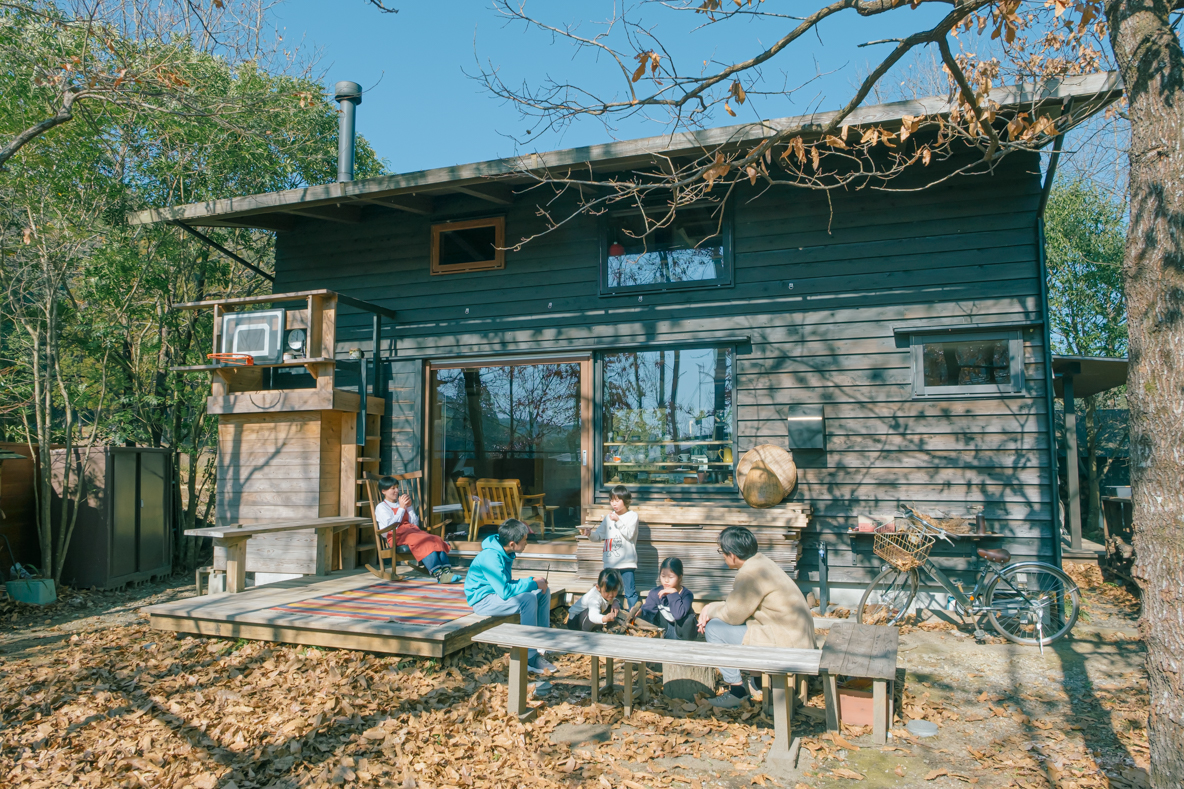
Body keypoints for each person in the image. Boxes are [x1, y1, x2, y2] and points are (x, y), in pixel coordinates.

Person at [697, 526, 815, 708]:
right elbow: (739, 606)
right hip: (796, 635)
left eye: (722, 552)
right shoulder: (762, 563)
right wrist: (713, 607)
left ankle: (737, 692)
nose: (722, 556)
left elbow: (732, 615)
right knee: (746, 625)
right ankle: (757, 683)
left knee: (714, 629)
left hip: (786, 641)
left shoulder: (749, 574)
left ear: (732, 555)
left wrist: (709, 610)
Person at [464, 518, 558, 673]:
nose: (526, 543)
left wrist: (534, 582)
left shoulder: (504, 552)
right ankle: (529, 657)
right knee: (528, 599)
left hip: (497, 594)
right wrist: (532, 583)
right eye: (524, 540)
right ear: (513, 544)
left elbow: (505, 584)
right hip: (483, 600)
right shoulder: (491, 557)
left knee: (542, 591)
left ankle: (543, 642)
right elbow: (505, 591)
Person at [375, 476, 459, 584]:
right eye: (393, 488)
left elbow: (414, 523)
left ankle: (446, 571)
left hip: (411, 532)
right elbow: (392, 526)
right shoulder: (381, 507)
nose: (397, 491)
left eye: (397, 487)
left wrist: (409, 507)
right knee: (424, 541)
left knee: (435, 538)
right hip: (396, 535)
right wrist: (401, 508)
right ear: (383, 491)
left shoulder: (401, 504)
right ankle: (438, 573)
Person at [581, 485, 641, 615]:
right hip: (610, 563)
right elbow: (599, 536)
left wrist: (618, 521)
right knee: (608, 591)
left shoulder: (632, 516)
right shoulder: (608, 517)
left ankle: (634, 617)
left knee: (630, 592)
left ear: (626, 500)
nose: (614, 503)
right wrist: (589, 534)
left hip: (626, 562)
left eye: (617, 500)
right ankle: (607, 616)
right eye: (612, 500)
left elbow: (629, 534)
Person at [637, 557, 696, 640]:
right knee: (654, 612)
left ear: (679, 578)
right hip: (666, 629)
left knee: (688, 619)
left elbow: (678, 615)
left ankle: (686, 645)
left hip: (683, 633)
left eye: (671, 577)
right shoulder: (656, 592)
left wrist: (673, 593)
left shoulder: (687, 595)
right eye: (663, 576)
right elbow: (648, 612)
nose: (666, 580)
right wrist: (641, 612)